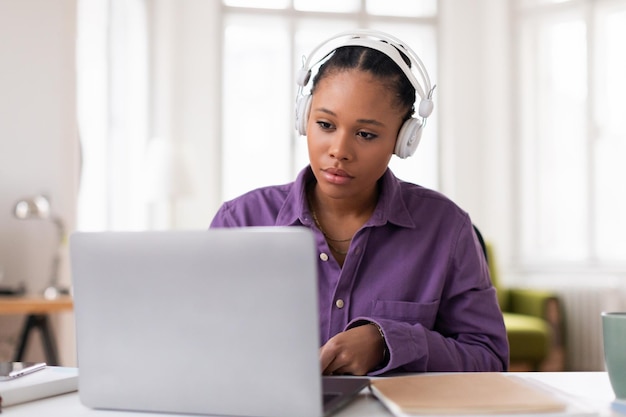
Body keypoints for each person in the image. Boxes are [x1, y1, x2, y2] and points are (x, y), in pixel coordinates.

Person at [210, 30, 509, 375]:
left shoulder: (446, 229)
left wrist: (388, 343)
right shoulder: (240, 222)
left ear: (404, 140)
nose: (339, 150)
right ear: (303, 118)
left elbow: (489, 359)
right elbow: (197, 345)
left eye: (365, 134)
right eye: (325, 124)